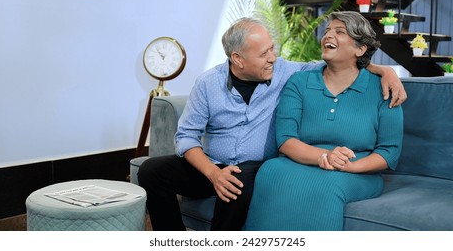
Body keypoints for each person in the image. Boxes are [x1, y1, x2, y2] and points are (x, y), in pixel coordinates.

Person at [138, 16, 406, 231]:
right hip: (211, 165)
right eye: (264, 53)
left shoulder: (287, 72)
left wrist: (386, 70)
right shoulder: (208, 83)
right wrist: (213, 173)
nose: (273, 58)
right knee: (151, 170)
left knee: (238, 183)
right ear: (237, 59)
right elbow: (186, 137)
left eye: (272, 49)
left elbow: (341, 65)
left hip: (254, 168)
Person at [243, 11, 404, 231]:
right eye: (327, 31)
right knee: (271, 170)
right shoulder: (299, 82)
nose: (328, 35)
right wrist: (324, 157)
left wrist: (351, 166)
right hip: (304, 159)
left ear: (360, 48)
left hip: (357, 170)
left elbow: (389, 152)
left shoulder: (384, 88)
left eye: (339, 32)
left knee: (327, 184)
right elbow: (286, 140)